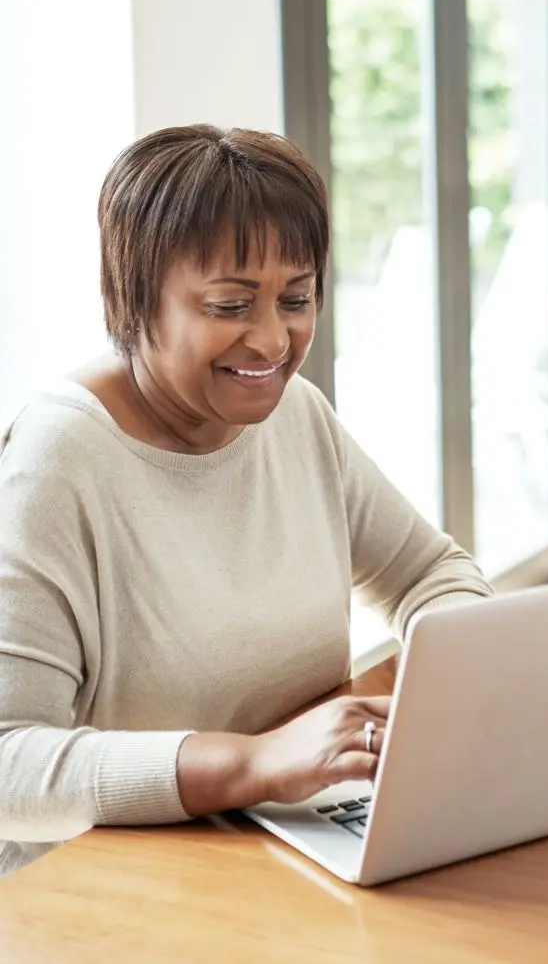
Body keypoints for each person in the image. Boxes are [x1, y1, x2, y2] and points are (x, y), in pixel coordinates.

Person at [0, 125, 493, 876]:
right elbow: (9, 763)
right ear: (135, 299)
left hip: (288, 840)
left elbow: (429, 572)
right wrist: (252, 764)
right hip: (111, 883)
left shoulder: (296, 415)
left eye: (297, 298)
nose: (272, 342)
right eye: (231, 306)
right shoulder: (56, 462)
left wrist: (452, 688)